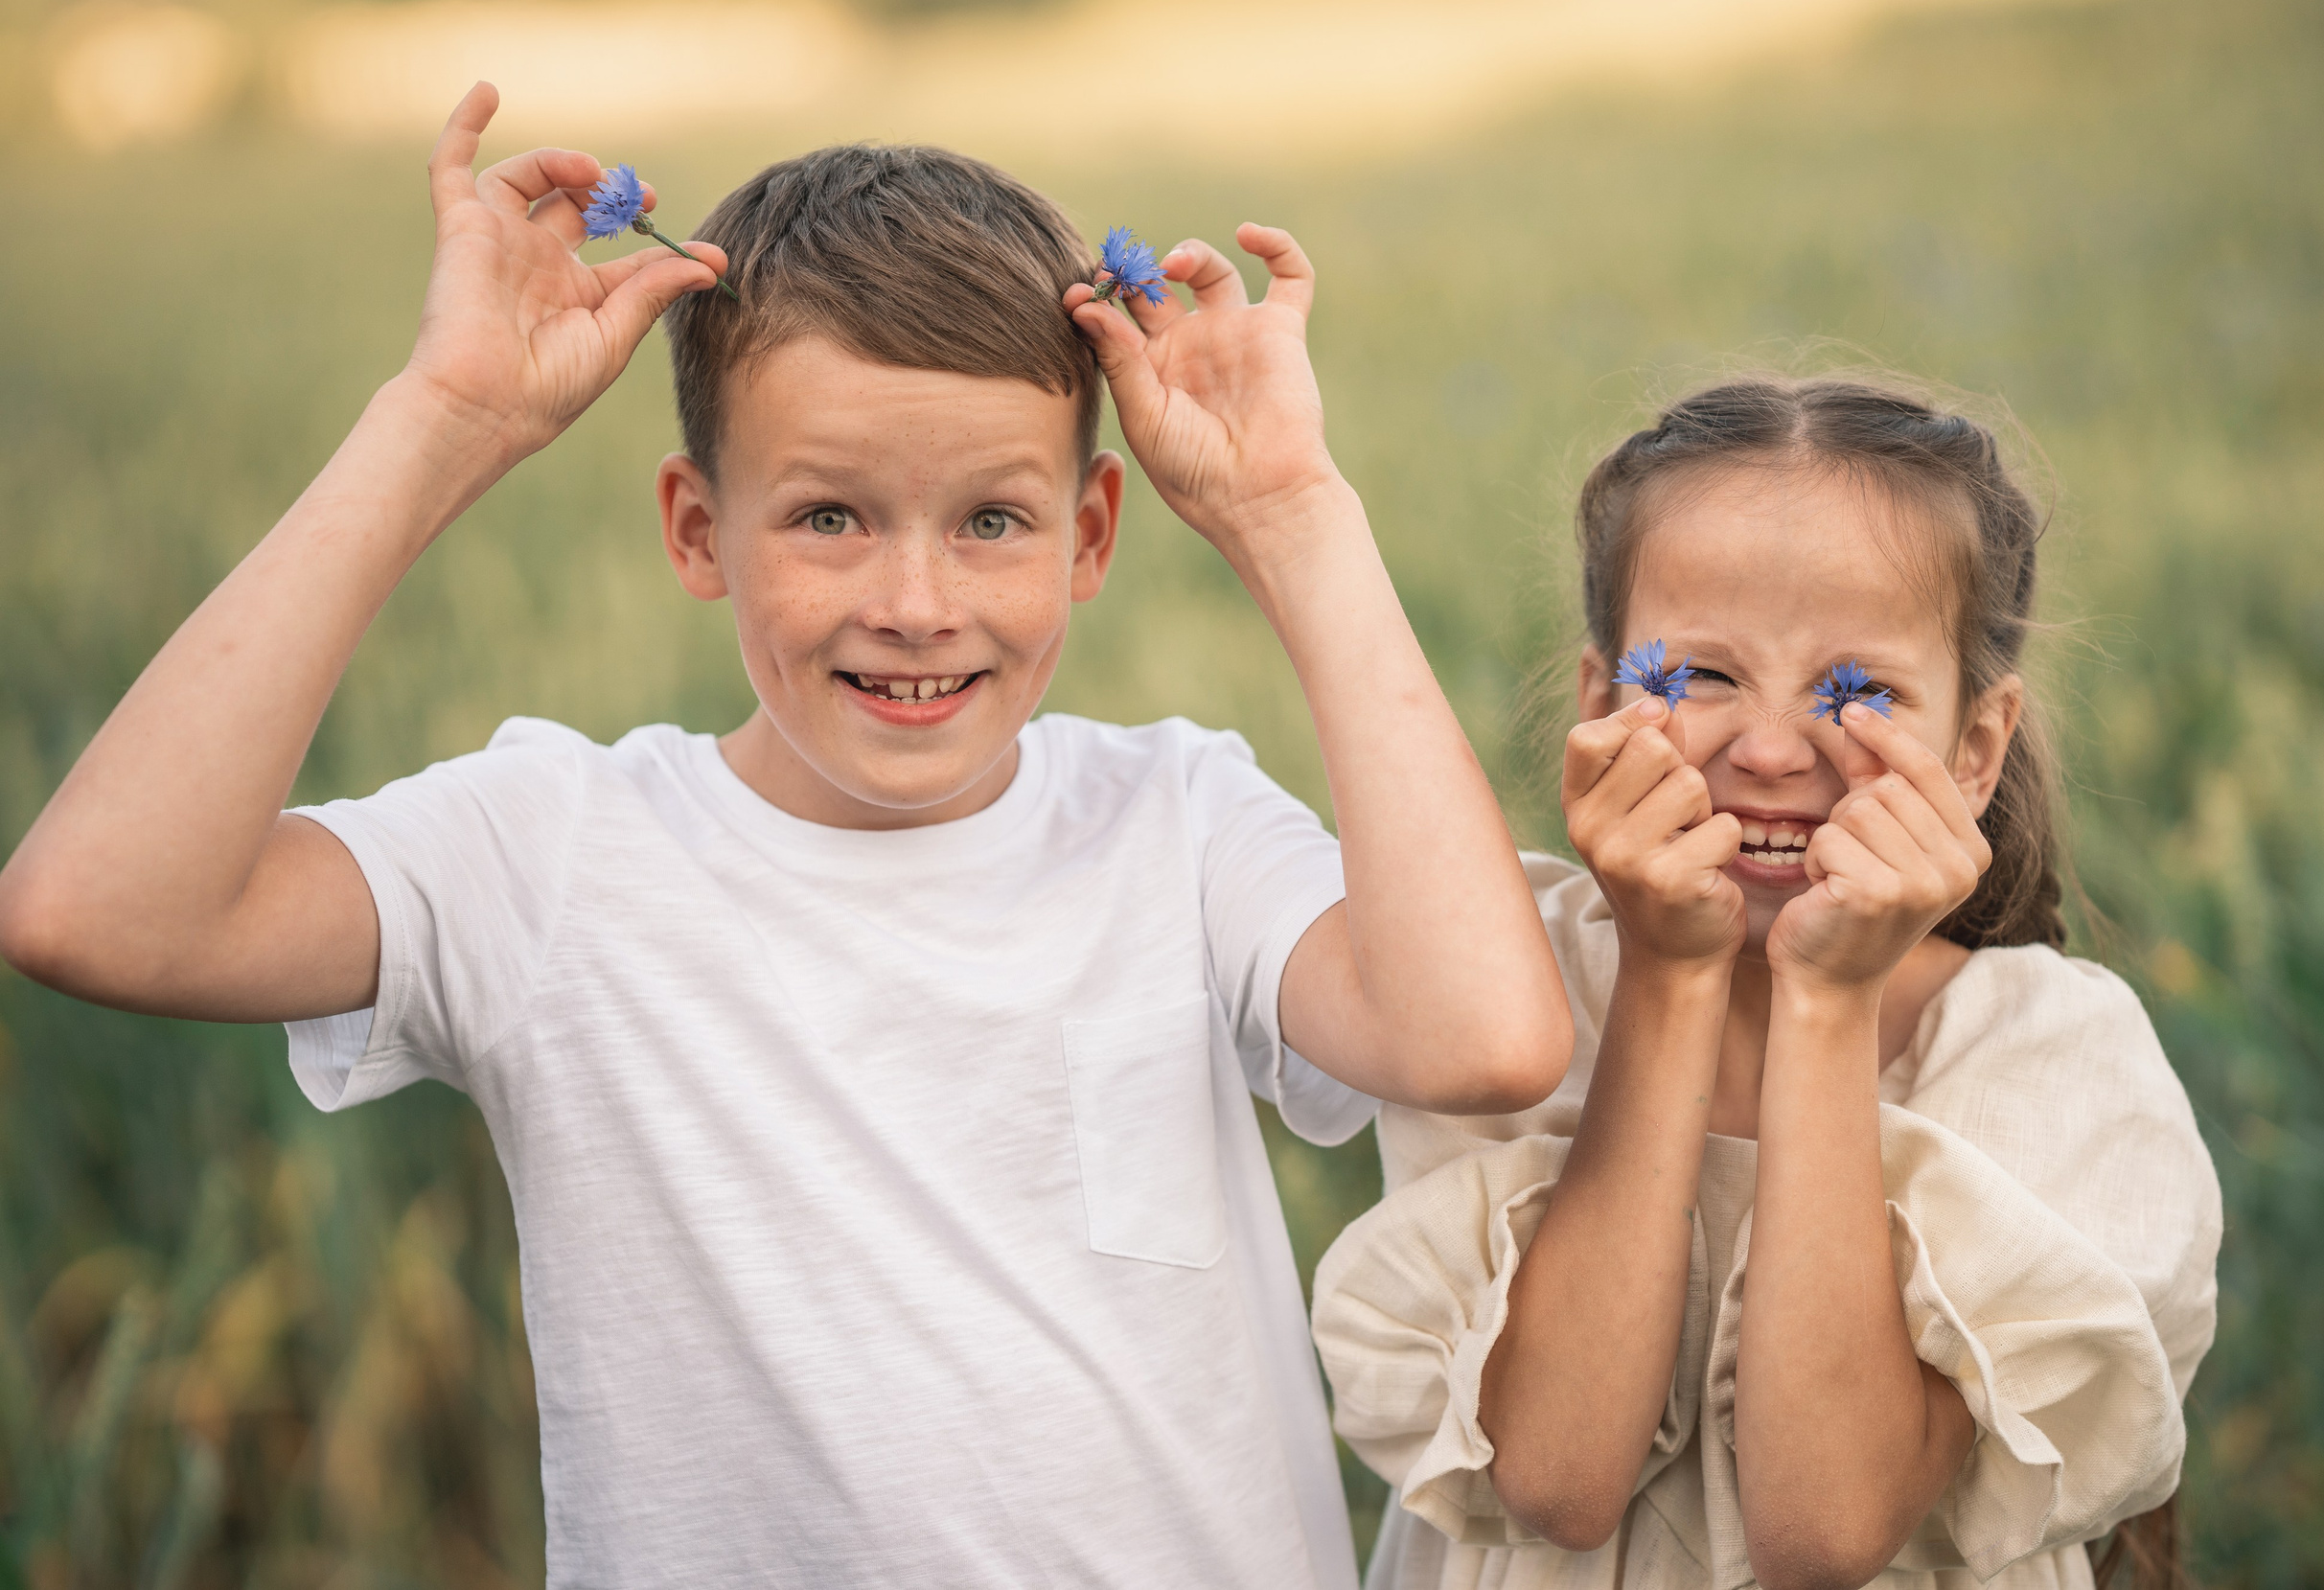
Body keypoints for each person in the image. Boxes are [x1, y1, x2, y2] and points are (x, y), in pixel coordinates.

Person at [0, 84, 1576, 1586]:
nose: (915, 602)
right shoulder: (549, 853)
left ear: (1091, 533)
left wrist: (1292, 515)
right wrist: (439, 423)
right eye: (830, 515)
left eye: (992, 520)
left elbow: (1486, 1038)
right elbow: (97, 910)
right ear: (699, 531)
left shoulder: (1180, 818)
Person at [1311, 376, 2221, 1590]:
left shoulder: (2049, 1059)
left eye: (1860, 690)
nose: (1774, 749)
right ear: (1599, 706)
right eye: (1697, 677)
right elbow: (1557, 1479)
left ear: (1974, 752)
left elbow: (1822, 1529)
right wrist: (1669, 976)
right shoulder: (1506, 986)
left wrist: (1830, 1002)